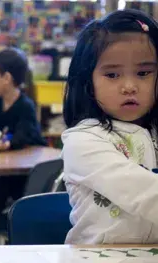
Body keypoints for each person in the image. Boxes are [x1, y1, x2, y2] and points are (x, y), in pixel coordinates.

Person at [62, 9, 158, 244]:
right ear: (88, 82)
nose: (129, 86)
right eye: (112, 74)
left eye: (143, 73)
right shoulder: (82, 142)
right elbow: (145, 194)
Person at [0, 48, 46, 216]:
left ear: (7, 78)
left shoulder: (25, 105)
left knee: (16, 202)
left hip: (25, 171)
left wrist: (9, 142)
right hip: (4, 168)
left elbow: (25, 134)